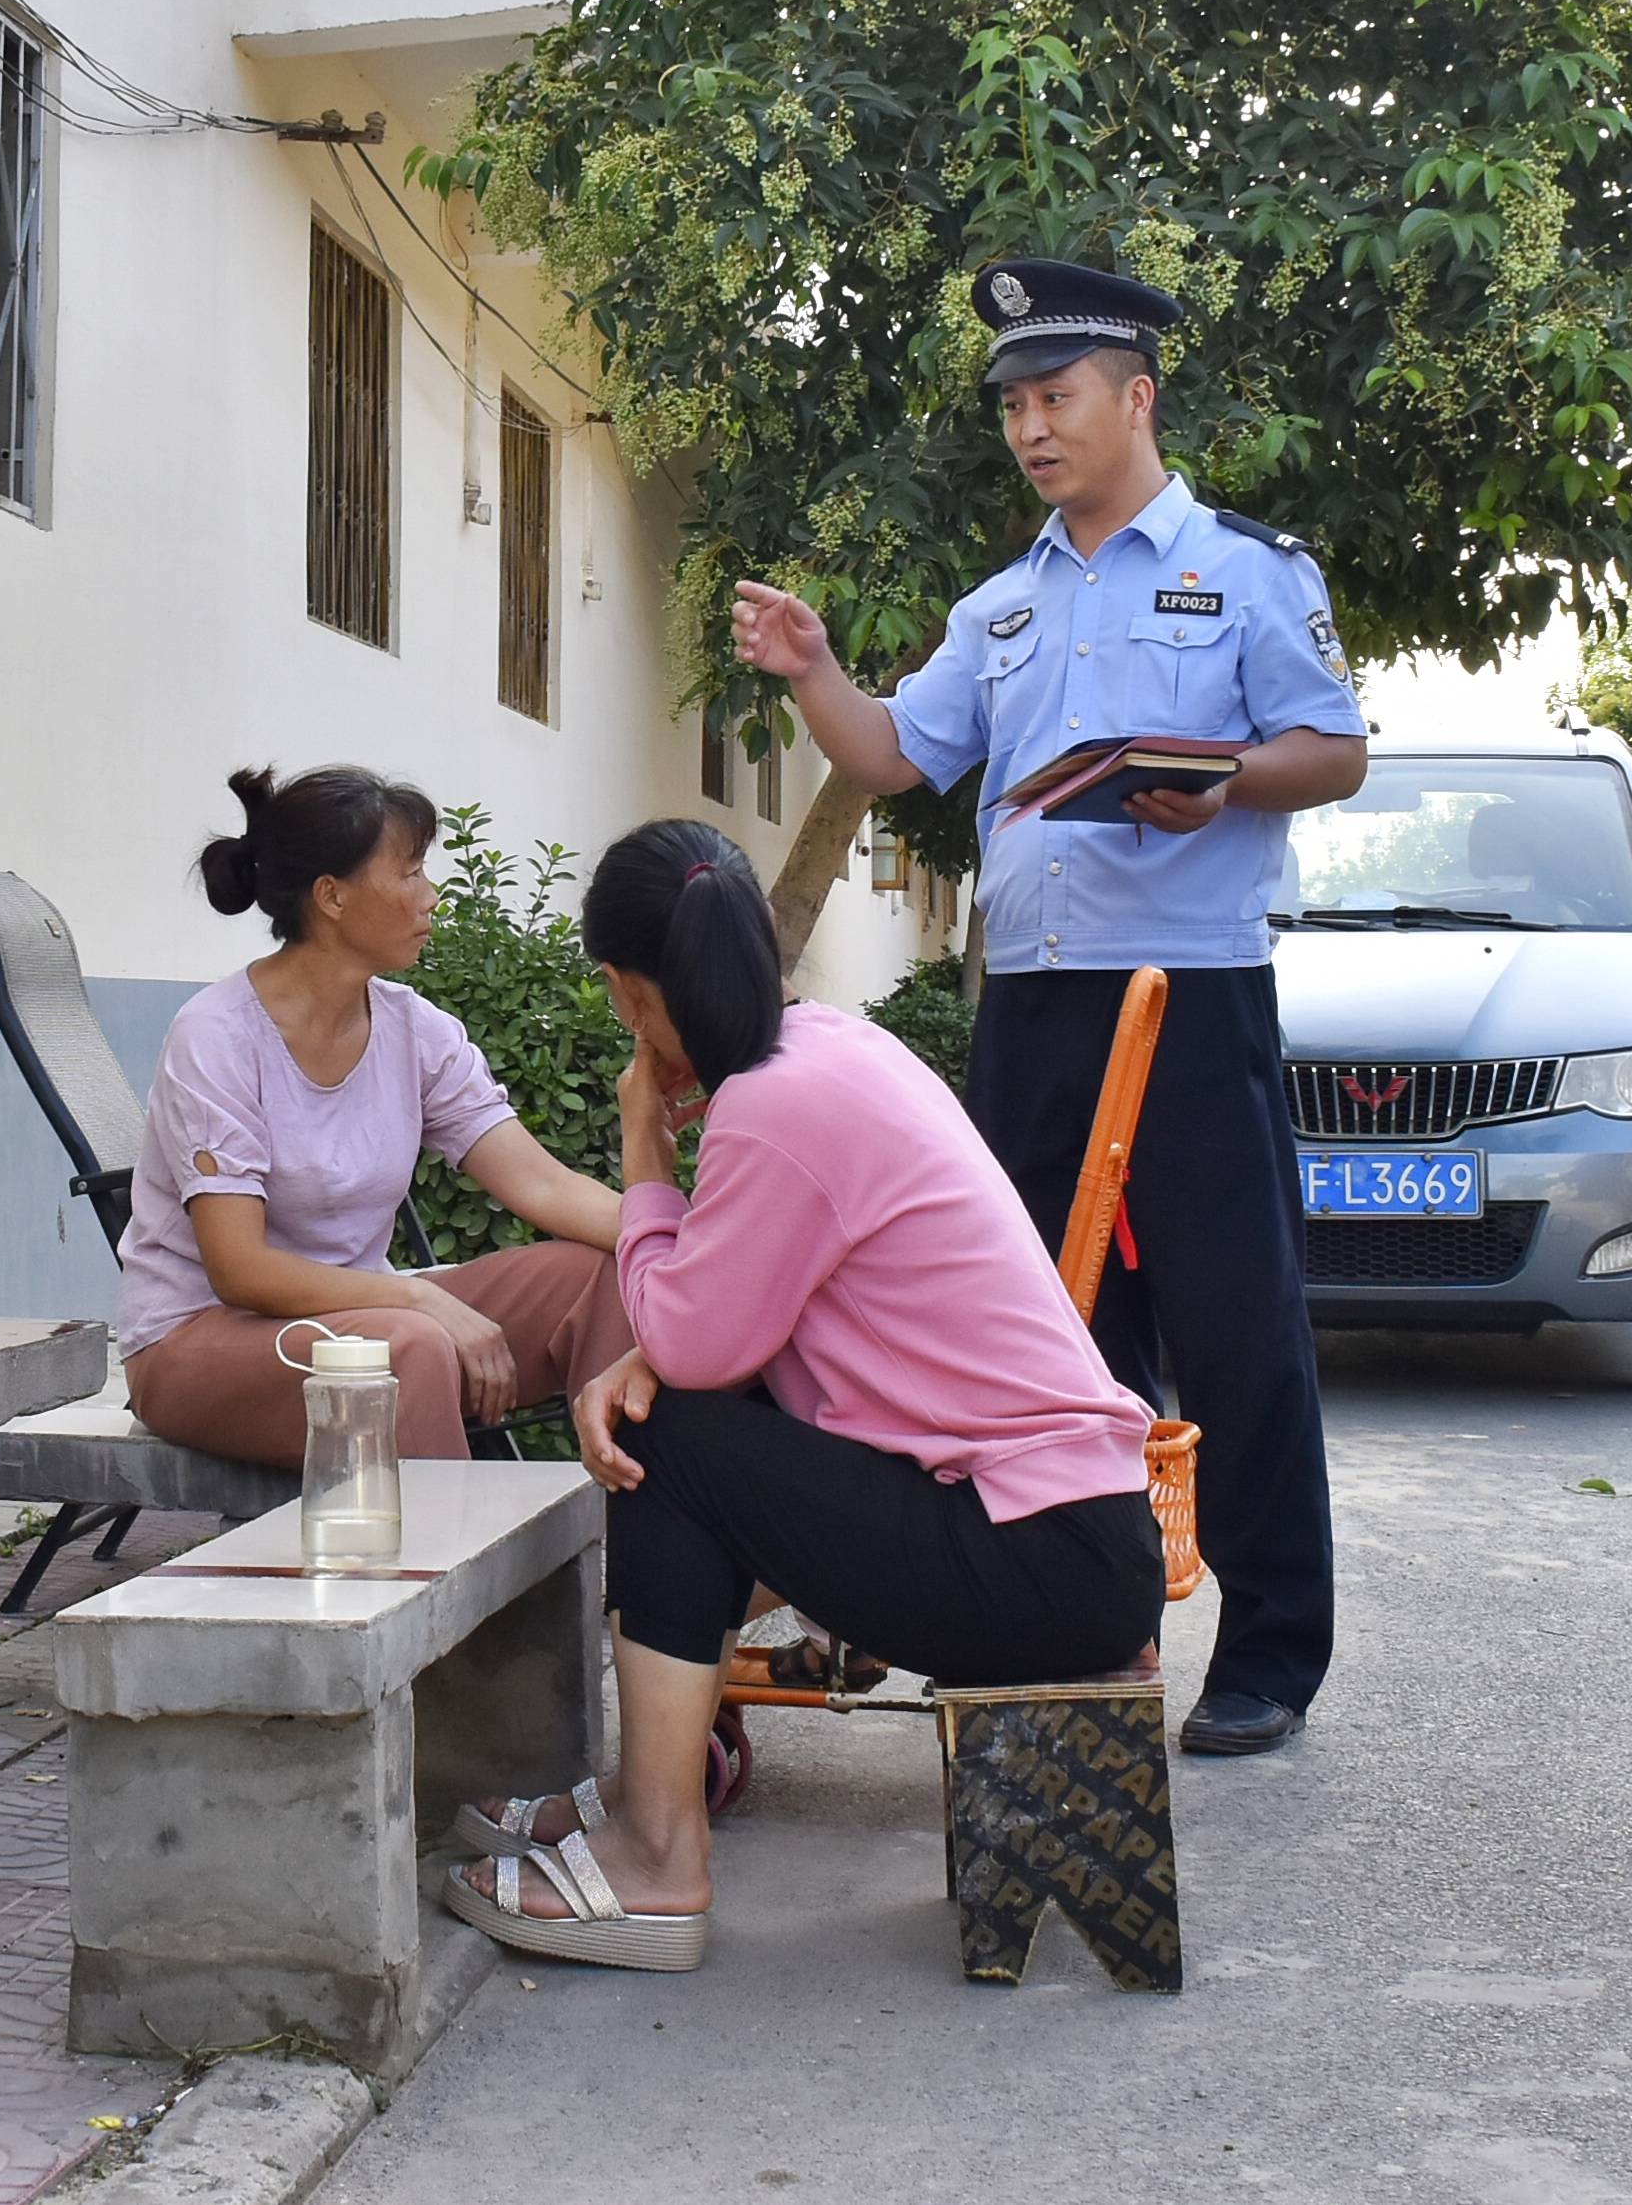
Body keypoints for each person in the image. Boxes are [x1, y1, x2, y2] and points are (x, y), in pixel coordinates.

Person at [735, 255, 1367, 1757]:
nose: (1031, 426)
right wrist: (817, 669)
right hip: (1036, 1007)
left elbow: (1331, 749)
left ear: (1135, 397)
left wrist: (1217, 781)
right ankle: (1081, 1621)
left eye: (1057, 396)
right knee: (1042, 1333)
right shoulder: (1001, 605)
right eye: (1014, 403)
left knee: (1236, 1329)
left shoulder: (1246, 569)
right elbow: (894, 757)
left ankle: (1273, 1650)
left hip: (1192, 996)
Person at [440, 820, 1162, 1971]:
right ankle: (648, 1799)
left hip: (1036, 1554)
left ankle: (659, 1856)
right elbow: (737, 1325)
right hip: (1066, 1534)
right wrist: (661, 1350)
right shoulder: (832, 1051)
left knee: (666, 1437)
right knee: (678, 1418)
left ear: (632, 994)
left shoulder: (773, 1108)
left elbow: (690, 1335)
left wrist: (641, 1152)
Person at [112, 766, 636, 1465]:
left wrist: (691, 1243)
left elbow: (542, 1186)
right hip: (202, 1341)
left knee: (603, 1277)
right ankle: (445, 1570)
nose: (432, 896)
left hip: (368, 1319)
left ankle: (634, 1547)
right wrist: (421, 1305)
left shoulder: (414, 1030)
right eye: (411, 873)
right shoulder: (218, 1038)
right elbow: (241, 1271)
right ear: (331, 896)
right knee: (402, 1351)